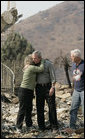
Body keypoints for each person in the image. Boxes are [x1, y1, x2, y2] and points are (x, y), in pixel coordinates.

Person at [16, 54, 44, 132]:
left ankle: (29, 125)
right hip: (24, 90)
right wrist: (43, 60)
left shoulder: (28, 67)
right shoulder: (31, 67)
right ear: (31, 60)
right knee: (22, 109)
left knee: (29, 109)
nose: (34, 60)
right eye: (33, 59)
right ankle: (18, 126)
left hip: (29, 91)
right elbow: (41, 69)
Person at [32, 50, 58, 131]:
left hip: (48, 87)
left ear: (40, 58)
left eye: (35, 58)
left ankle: (54, 126)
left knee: (52, 107)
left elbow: (53, 77)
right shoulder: (33, 65)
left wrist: (52, 88)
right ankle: (41, 127)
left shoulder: (48, 64)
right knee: (39, 107)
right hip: (38, 88)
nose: (33, 60)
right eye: (33, 58)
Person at [70, 49, 84, 129]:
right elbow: (74, 78)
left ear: (77, 57)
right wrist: (72, 88)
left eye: (72, 56)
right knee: (73, 109)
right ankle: (72, 127)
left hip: (83, 91)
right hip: (76, 90)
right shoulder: (73, 65)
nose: (71, 58)